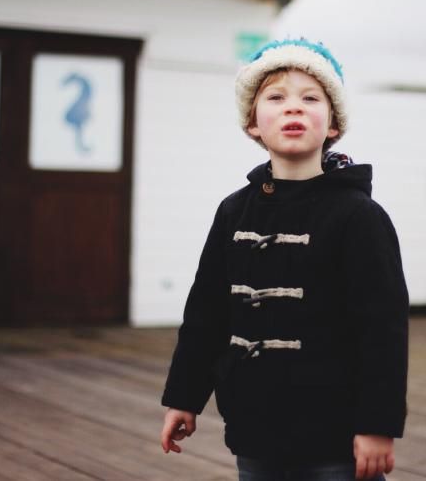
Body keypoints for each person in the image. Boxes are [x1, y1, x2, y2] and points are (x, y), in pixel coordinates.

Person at [159, 38, 409, 480]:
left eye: (311, 98)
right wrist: (185, 396)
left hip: (336, 433)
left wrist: (377, 425)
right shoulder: (234, 211)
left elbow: (383, 329)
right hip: (254, 427)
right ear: (253, 123)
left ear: (333, 124)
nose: (294, 108)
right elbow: (206, 314)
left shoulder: (359, 217)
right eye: (276, 97)